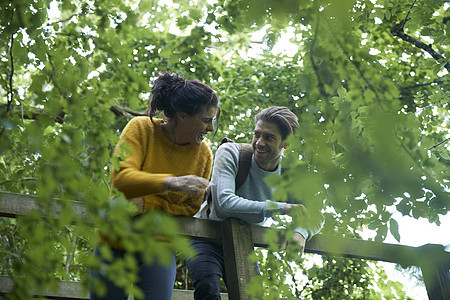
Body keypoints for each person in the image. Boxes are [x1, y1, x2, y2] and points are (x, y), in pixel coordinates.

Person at [90, 72, 220, 300]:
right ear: (181, 116)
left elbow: (190, 209)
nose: (210, 128)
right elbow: (122, 180)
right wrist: (174, 183)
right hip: (114, 239)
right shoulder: (140, 129)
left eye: (213, 120)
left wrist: (148, 203)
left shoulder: (204, 155)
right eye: (206, 120)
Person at [186, 106, 323, 299]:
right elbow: (224, 204)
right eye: (256, 134)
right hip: (206, 237)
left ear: (286, 144)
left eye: (269, 137)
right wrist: (281, 208)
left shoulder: (289, 176)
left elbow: (316, 216)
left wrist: (301, 232)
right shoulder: (231, 153)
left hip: (243, 242)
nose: (259, 142)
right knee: (208, 290)